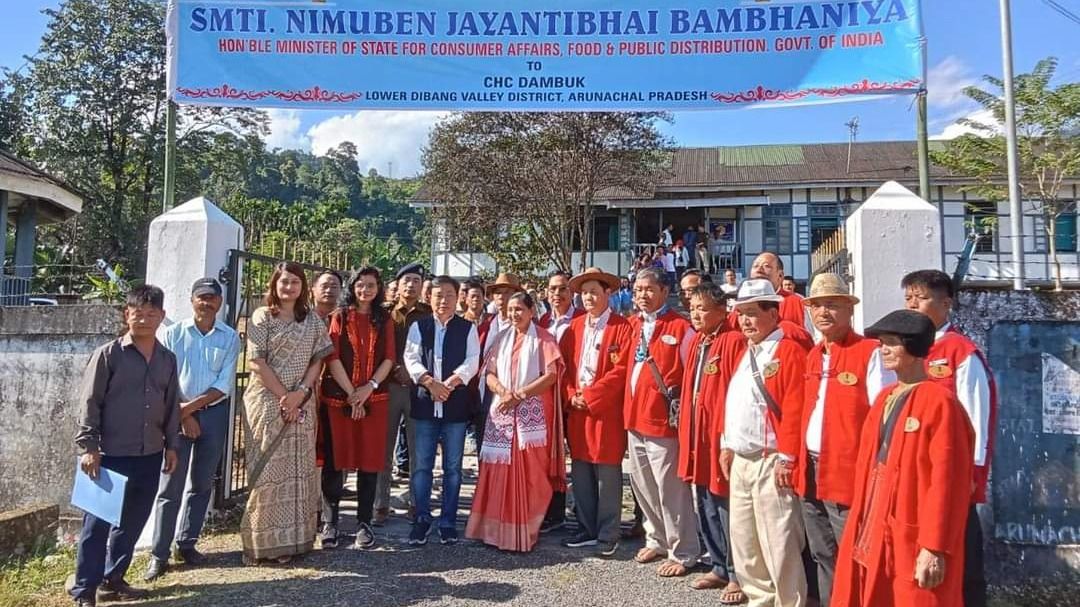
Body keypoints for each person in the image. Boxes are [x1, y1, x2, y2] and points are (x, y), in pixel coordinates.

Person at [833, 310, 974, 607]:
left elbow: (948, 482)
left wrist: (934, 547)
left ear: (913, 347)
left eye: (891, 342)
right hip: (874, 520)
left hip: (912, 527)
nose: (882, 349)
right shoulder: (885, 397)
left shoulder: (940, 403)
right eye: (881, 342)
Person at [71, 285, 180, 605]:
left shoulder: (167, 359)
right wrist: (89, 446)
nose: (144, 320)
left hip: (150, 453)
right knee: (96, 526)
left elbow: (172, 405)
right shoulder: (108, 355)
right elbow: (90, 402)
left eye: (151, 314)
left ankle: (113, 579)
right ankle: (84, 591)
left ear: (161, 317)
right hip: (109, 454)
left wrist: (172, 445)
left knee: (132, 522)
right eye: (138, 313)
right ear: (126, 314)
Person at [796, 273, 894, 606]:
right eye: (818, 306)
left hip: (849, 470)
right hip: (810, 468)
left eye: (833, 305)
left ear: (849, 310)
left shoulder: (869, 352)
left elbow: (884, 417)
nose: (824, 312)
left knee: (855, 553)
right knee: (823, 552)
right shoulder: (813, 355)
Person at [902, 269, 997, 607]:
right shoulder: (910, 349)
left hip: (954, 476)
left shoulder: (960, 352)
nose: (913, 304)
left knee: (963, 555)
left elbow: (977, 416)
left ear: (946, 303)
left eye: (922, 297)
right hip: (917, 475)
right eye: (908, 297)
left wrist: (971, 475)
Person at [718, 278, 808, 607]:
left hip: (770, 460)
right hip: (743, 459)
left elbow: (796, 409)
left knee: (779, 544)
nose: (745, 321)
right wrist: (727, 443)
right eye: (741, 314)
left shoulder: (789, 352)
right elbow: (736, 403)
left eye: (753, 313)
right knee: (745, 543)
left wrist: (788, 457)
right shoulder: (748, 351)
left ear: (774, 313)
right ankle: (761, 600)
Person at [145, 279, 240, 582]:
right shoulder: (173, 334)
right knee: (170, 486)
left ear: (220, 302)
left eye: (213, 298)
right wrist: (183, 415)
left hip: (213, 413)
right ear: (192, 300)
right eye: (202, 297)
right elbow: (166, 380)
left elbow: (224, 383)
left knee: (202, 483)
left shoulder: (229, 337)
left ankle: (186, 544)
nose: (207, 303)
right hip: (177, 414)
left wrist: (190, 410)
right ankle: (158, 554)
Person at [240, 262, 334, 564]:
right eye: (284, 282)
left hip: (302, 402)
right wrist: (285, 397)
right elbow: (256, 361)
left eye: (295, 282)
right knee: (267, 472)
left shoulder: (312, 321)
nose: (289, 287)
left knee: (300, 471)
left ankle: (293, 543)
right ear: (274, 284)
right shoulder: (262, 316)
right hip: (267, 403)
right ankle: (262, 543)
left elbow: (318, 361)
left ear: (303, 286)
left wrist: (301, 394)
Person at [467, 292, 564, 551]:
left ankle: (523, 532)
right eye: (510, 310)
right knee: (497, 472)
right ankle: (493, 532)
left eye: (520, 309)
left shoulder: (544, 338)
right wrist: (502, 392)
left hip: (531, 418)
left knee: (531, 475)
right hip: (502, 411)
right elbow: (489, 373)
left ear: (532, 311)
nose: (514, 314)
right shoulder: (500, 339)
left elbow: (552, 375)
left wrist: (520, 394)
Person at [625, 266, 699, 577]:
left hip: (663, 423)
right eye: (638, 289)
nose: (642, 295)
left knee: (671, 490)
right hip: (634, 418)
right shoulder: (632, 324)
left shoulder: (681, 327)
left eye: (649, 289)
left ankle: (683, 551)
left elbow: (690, 374)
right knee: (642, 486)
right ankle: (655, 537)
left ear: (664, 292)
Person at [318, 268, 396, 550]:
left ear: (378, 288)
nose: (366, 290)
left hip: (374, 399)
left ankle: (364, 523)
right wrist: (353, 394)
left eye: (372, 285)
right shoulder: (339, 317)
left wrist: (369, 388)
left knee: (369, 461)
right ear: (353, 287)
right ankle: (331, 522)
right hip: (340, 399)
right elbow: (331, 355)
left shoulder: (384, 318)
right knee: (335, 461)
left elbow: (389, 358)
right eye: (361, 285)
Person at [558, 268, 632, 557]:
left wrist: (589, 396)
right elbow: (562, 368)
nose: (589, 297)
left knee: (607, 474)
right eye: (585, 292)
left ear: (608, 294)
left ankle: (608, 532)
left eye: (594, 292)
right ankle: (586, 528)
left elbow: (621, 370)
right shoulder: (574, 328)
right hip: (577, 409)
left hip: (605, 412)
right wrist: (571, 395)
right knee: (581, 471)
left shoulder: (621, 327)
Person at [403, 276, 481, 546]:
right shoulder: (419, 326)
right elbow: (410, 358)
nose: (443, 300)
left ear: (458, 297)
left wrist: (449, 384)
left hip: (455, 405)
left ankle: (448, 520)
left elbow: (473, 361)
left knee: (453, 468)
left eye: (449, 294)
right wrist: (429, 382)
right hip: (425, 404)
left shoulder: (467, 328)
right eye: (438, 295)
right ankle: (422, 518)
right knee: (422, 467)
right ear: (429, 298)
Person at [679, 283, 744, 601]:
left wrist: (728, 438)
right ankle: (718, 564)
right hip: (697, 437)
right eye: (692, 308)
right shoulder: (699, 342)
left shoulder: (732, 341)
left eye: (702, 308)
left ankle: (736, 571)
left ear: (722, 310)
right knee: (703, 499)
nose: (695, 314)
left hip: (719, 436)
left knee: (725, 504)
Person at [375, 263, 430, 525]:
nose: (411, 285)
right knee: (383, 448)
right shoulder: (384, 313)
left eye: (416, 281)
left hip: (418, 389)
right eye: (407, 280)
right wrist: (396, 368)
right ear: (397, 284)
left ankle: (417, 504)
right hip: (388, 386)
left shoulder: (428, 314)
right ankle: (380, 504)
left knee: (418, 449)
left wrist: (415, 372)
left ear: (422, 286)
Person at [537, 270, 584, 533]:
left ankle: (581, 510)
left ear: (572, 292)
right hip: (546, 400)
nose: (557, 294)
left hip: (572, 398)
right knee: (549, 458)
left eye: (563, 289)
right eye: (553, 289)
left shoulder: (581, 320)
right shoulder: (542, 322)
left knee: (577, 457)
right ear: (546, 292)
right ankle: (553, 513)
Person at [728, 252, 814, 350]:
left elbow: (814, 338)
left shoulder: (798, 303)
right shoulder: (740, 306)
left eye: (766, 266)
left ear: (780, 275)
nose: (759, 270)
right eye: (755, 266)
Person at [476, 273, 524, 450]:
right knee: (484, 442)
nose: (502, 297)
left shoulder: (527, 327)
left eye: (507, 293)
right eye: (498, 293)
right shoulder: (486, 324)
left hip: (514, 391)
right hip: (486, 391)